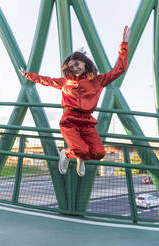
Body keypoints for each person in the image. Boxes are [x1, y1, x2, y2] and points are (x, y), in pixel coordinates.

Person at [20, 26, 130, 177]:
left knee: (99, 153)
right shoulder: (66, 82)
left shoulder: (98, 81)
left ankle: (79, 157)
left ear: (85, 63)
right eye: (72, 67)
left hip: (87, 121)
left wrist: (124, 44)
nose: (75, 69)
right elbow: (46, 80)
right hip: (70, 120)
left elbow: (120, 69)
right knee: (81, 150)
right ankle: (66, 153)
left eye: (77, 64)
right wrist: (28, 75)